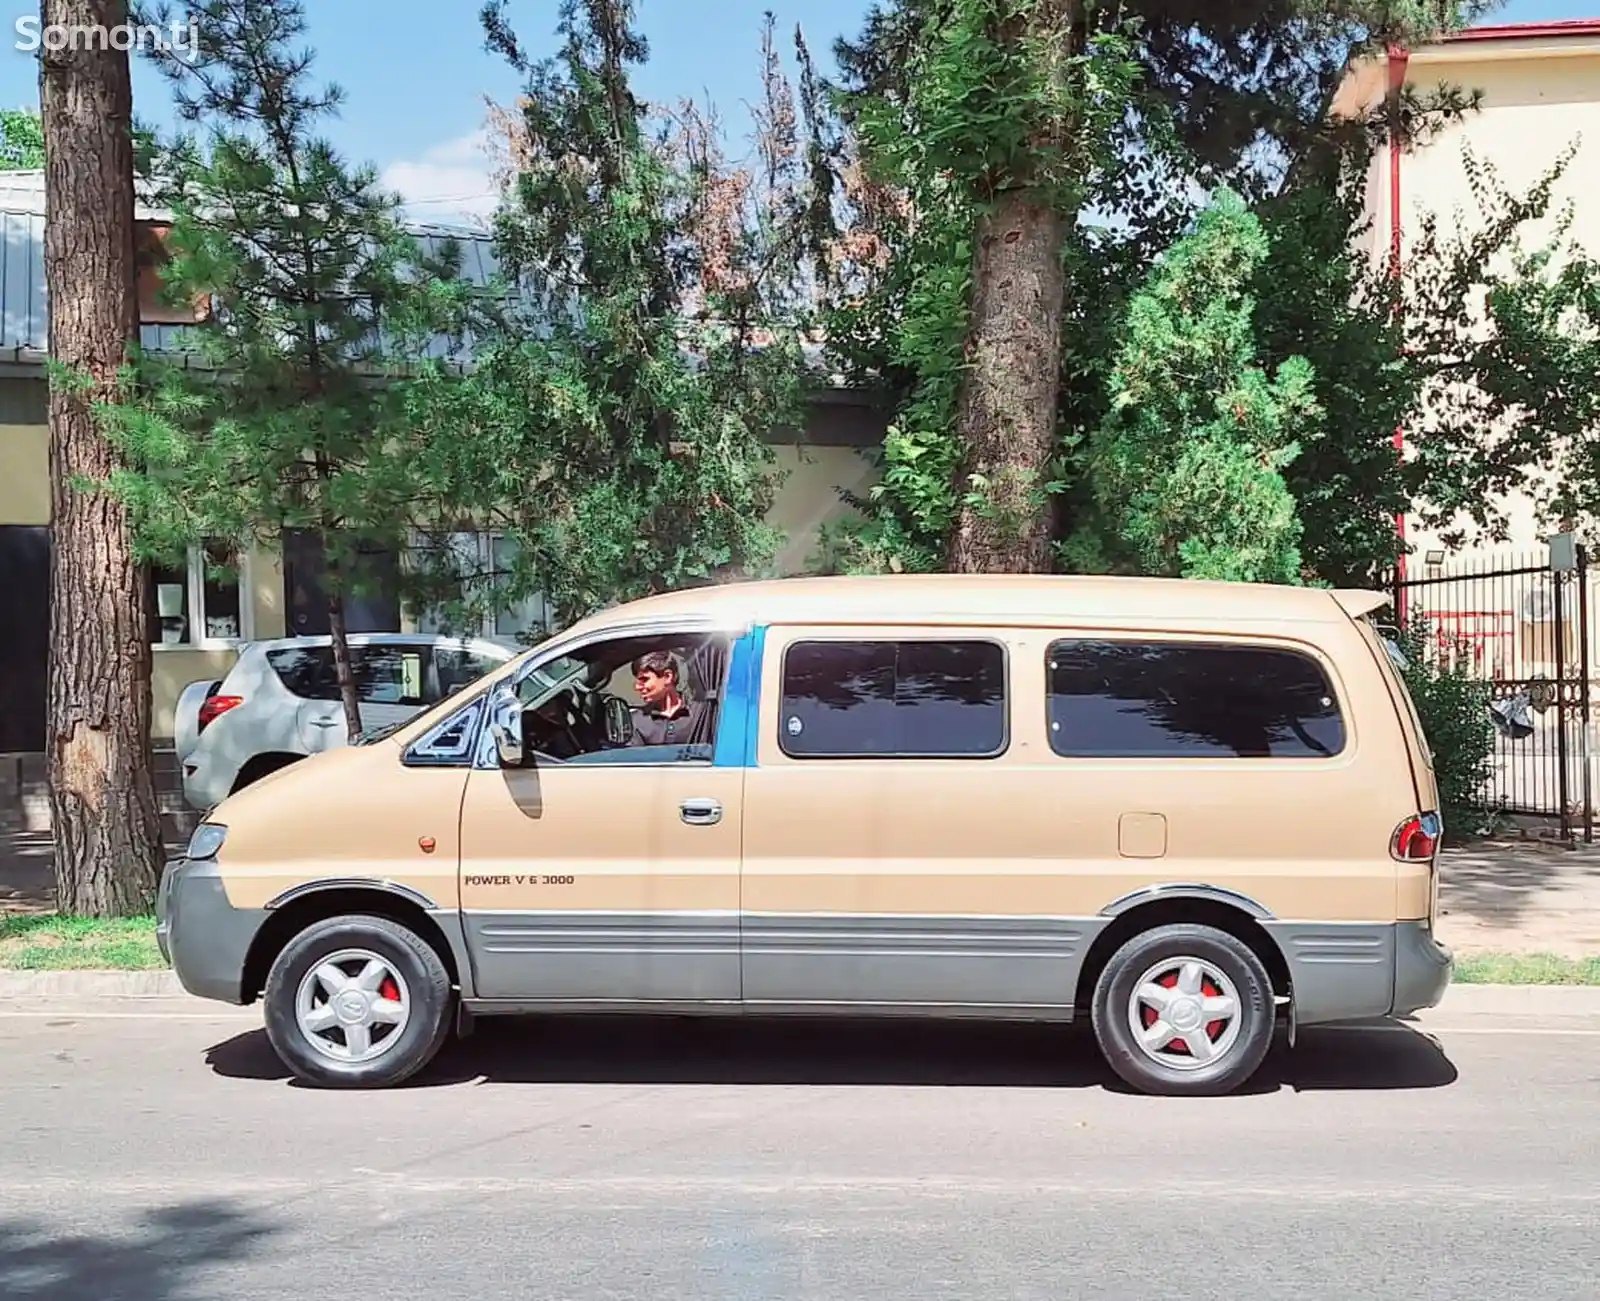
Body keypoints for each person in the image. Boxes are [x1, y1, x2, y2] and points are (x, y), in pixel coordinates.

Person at [627, 650, 703, 747]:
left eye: (644, 679)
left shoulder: (701, 714)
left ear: (667, 677)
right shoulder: (636, 720)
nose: (637, 687)